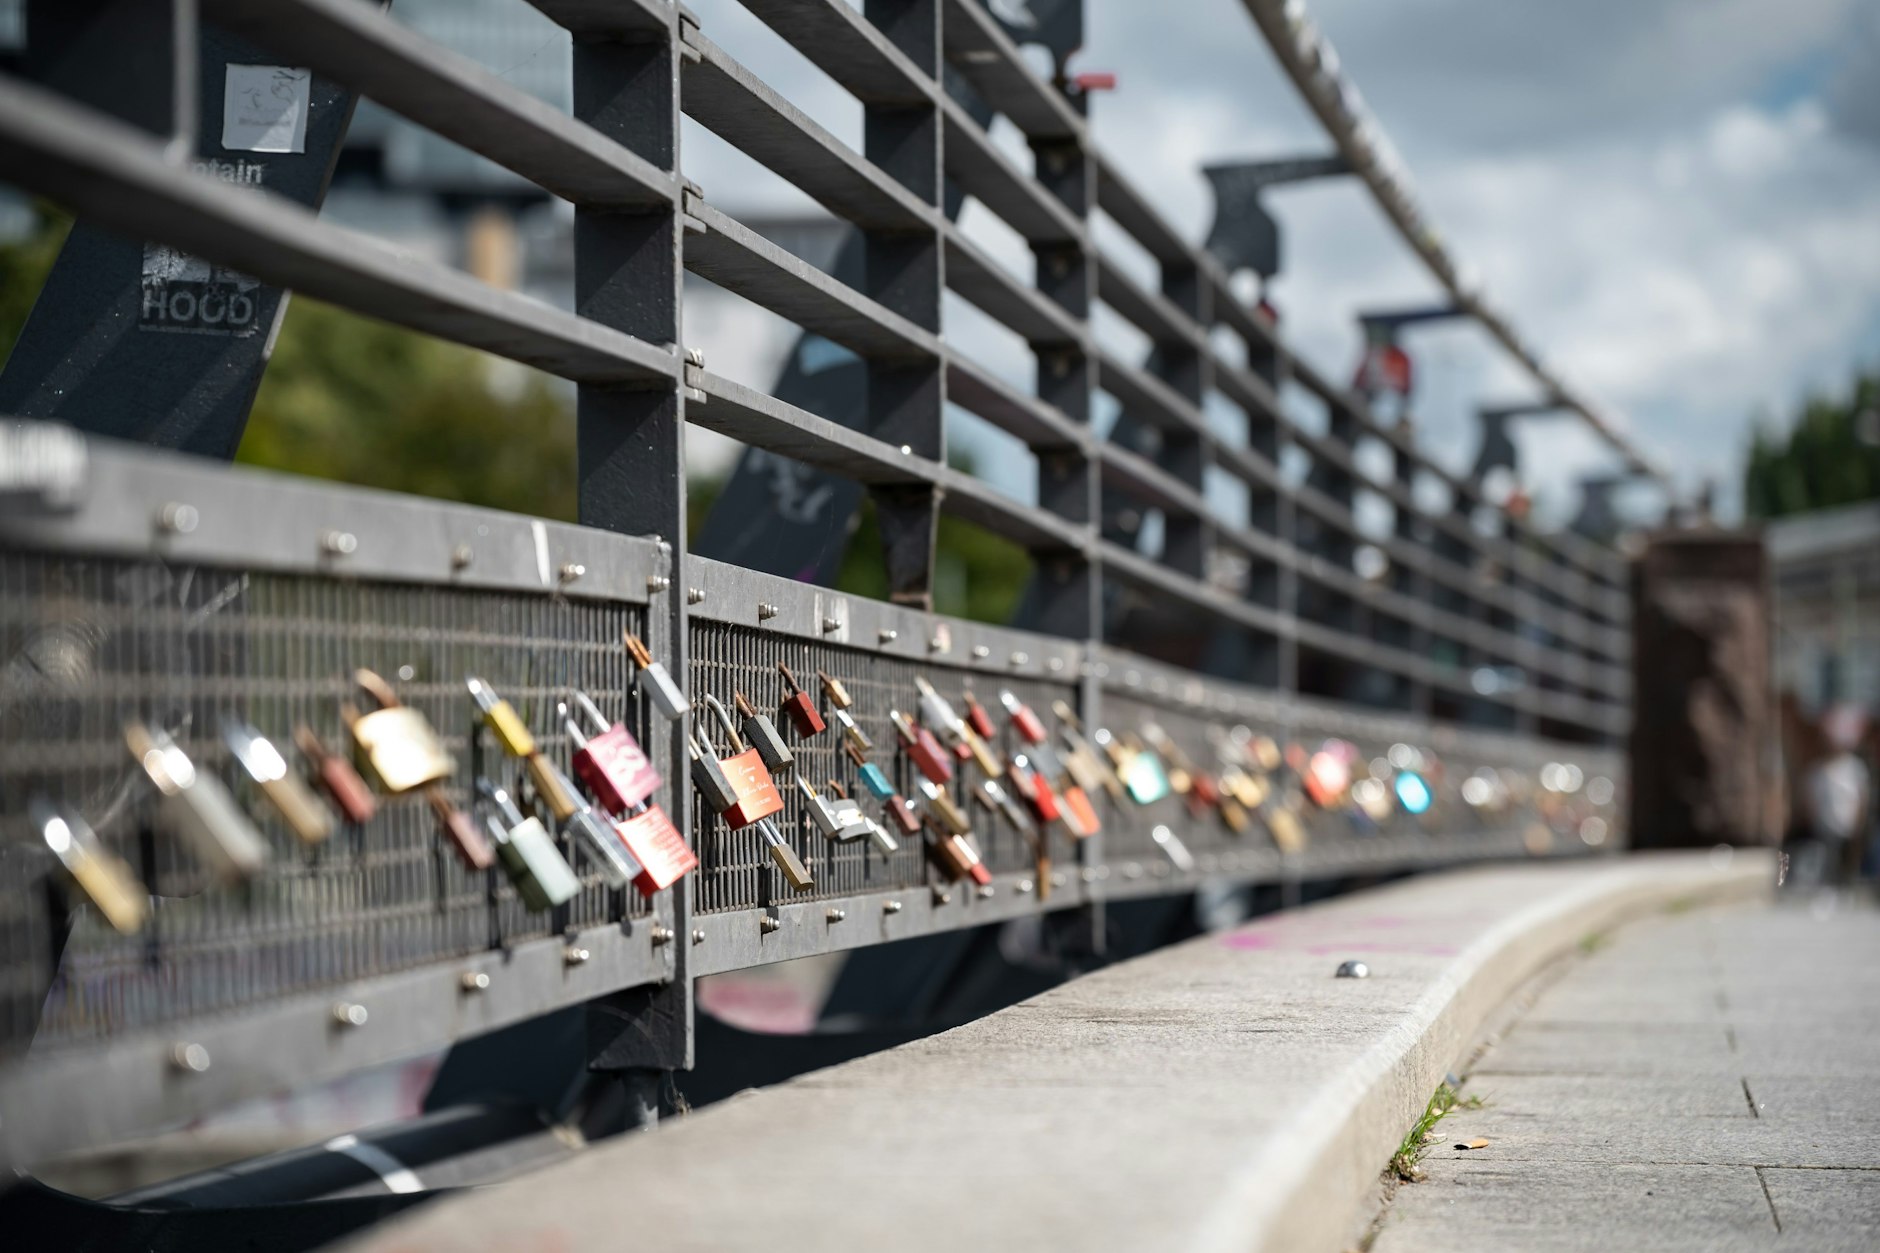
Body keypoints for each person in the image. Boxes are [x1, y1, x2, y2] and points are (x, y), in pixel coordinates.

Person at [1803, 704, 1871, 888]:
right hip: (1825, 828)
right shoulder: (1817, 770)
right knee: (1827, 864)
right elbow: (1811, 799)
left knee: (1848, 865)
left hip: (1847, 827)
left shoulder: (1853, 767)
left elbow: (1861, 797)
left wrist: (1858, 823)